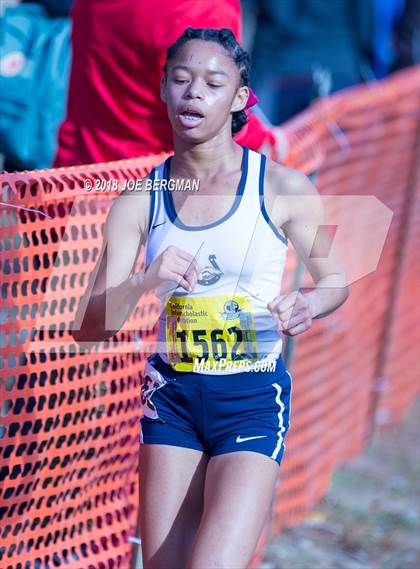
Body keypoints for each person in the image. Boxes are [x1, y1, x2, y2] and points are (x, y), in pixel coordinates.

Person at [71, 27, 349, 568]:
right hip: (172, 400)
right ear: (163, 91)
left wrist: (308, 304)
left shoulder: (286, 189)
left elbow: (333, 281)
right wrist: (144, 281)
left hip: (249, 399)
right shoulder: (139, 200)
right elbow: (89, 326)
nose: (193, 93)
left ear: (240, 99)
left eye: (212, 83)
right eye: (181, 79)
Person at [53, 0, 276, 168]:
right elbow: (217, 120)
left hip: (76, 186)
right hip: (158, 198)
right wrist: (267, 142)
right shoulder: (203, 8)